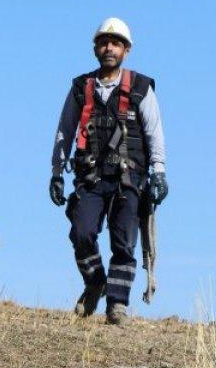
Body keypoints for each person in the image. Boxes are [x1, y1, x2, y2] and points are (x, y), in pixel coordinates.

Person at [49, 18, 168, 323]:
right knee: (82, 231)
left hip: (129, 179)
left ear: (126, 50)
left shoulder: (141, 88)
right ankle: (94, 281)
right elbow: (64, 129)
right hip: (90, 177)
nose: (109, 48)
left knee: (123, 242)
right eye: (104, 42)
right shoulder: (81, 87)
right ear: (95, 48)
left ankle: (117, 305)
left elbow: (154, 132)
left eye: (115, 43)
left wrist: (159, 171)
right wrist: (57, 172)